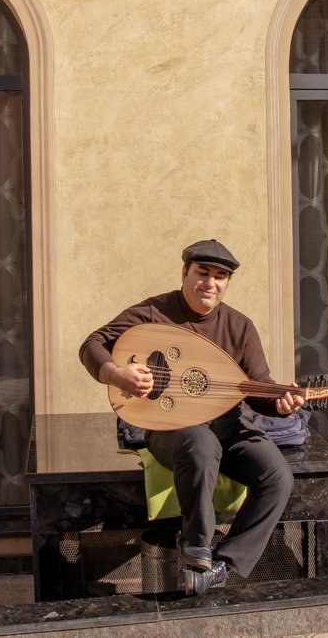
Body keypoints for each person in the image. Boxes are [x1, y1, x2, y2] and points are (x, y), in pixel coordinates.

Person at [79, 239, 304, 595]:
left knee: (277, 475)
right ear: (185, 272)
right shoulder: (155, 312)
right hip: (171, 428)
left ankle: (222, 566)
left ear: (227, 283)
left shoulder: (239, 327)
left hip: (228, 428)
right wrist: (116, 373)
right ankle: (197, 547)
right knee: (199, 443)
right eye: (202, 273)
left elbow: (256, 386)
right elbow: (93, 343)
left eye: (219, 277)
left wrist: (279, 403)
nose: (209, 283)